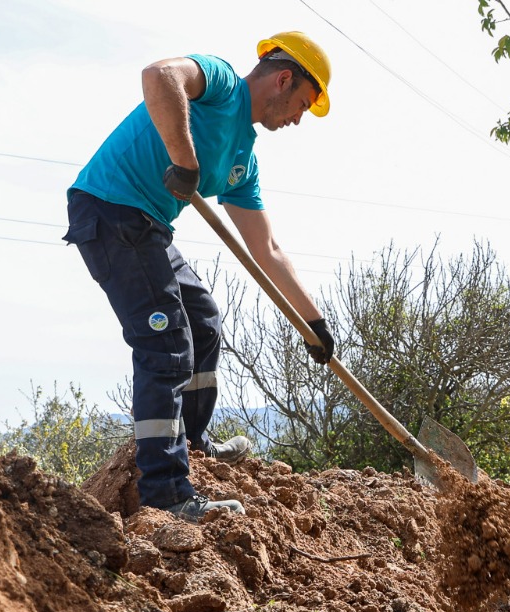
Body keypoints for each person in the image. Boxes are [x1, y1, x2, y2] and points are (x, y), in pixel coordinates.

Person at [64, 33, 337, 522]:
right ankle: (165, 494)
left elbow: (267, 248)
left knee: (203, 321)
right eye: (302, 104)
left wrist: (313, 323)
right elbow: (158, 76)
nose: (298, 118)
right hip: (109, 211)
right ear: (283, 79)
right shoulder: (220, 82)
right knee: (166, 343)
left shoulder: (243, 162)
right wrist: (185, 160)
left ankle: (190, 442)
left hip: (149, 228)